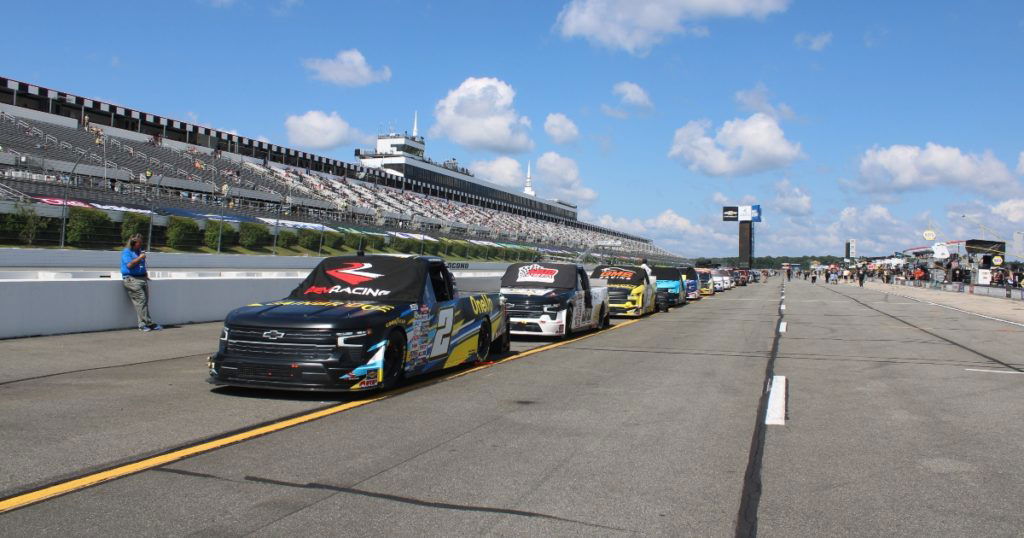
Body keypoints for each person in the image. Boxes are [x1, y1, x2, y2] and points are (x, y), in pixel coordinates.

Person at [121, 234, 161, 331]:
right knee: (141, 300)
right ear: (133, 244)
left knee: (143, 302)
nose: (141, 245)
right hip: (132, 279)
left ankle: (142, 325)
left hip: (142, 278)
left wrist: (145, 274)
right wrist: (140, 257)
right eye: (139, 243)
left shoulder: (139, 252)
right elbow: (130, 265)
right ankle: (149, 323)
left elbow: (142, 265)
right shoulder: (127, 252)